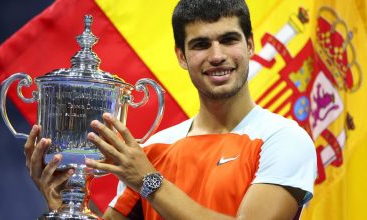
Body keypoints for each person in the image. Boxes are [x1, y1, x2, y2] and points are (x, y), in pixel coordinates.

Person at [25, 0, 317, 219]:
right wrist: (64, 205)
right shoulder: (152, 149)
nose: (217, 56)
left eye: (228, 40)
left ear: (250, 44)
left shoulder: (284, 139)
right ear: (181, 55)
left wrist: (148, 181)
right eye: (201, 45)